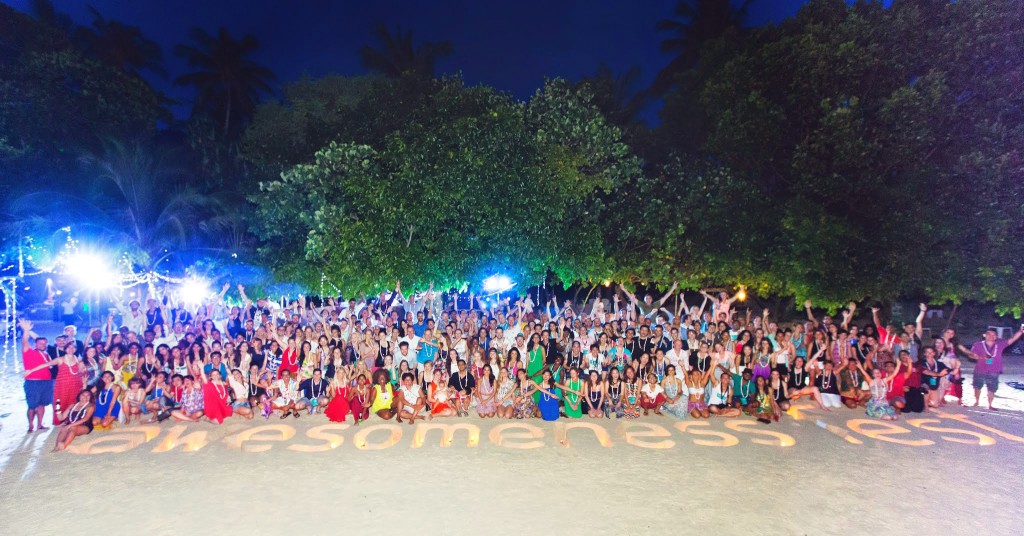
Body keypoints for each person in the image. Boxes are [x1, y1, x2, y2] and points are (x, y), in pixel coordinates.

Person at [959, 326, 1023, 410]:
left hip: (994, 370)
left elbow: (1012, 339)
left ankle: (990, 404)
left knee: (992, 387)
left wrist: (1021, 331)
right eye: (989, 334)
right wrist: (981, 358)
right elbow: (971, 355)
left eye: (994, 335)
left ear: (996, 337)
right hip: (980, 369)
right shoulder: (978, 344)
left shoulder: (999, 345)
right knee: (977, 386)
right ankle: (976, 401)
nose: (991, 336)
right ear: (984, 335)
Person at [19, 320, 54, 433]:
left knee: (42, 404)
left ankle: (40, 424)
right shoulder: (29, 352)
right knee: (32, 405)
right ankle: (30, 425)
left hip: (46, 382)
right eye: (40, 343)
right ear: (35, 344)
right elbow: (24, 342)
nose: (42, 345)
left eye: (44, 343)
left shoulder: (47, 354)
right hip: (33, 382)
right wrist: (26, 331)